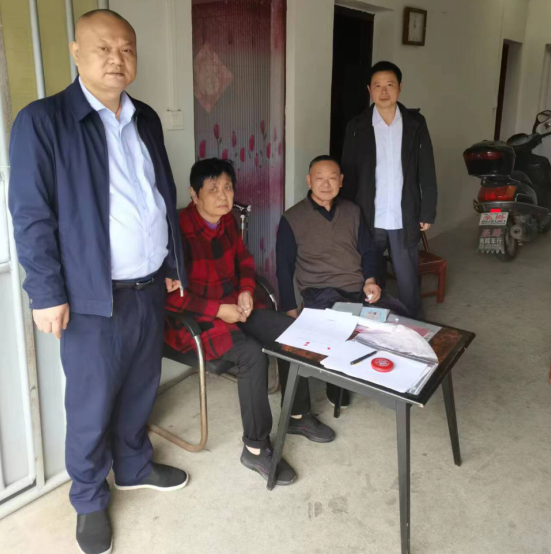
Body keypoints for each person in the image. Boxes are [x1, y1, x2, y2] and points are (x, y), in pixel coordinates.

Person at [9, 10, 188, 554]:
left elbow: (160, 193)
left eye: (127, 49)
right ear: (76, 52)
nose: (117, 59)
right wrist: (46, 292)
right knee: (90, 405)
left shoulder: (144, 117)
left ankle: (133, 465)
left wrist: (173, 264)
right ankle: (88, 499)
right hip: (91, 296)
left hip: (149, 285)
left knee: (140, 387)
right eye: (104, 47)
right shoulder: (43, 121)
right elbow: (31, 214)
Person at [165, 158, 336, 486]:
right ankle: (255, 448)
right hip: (197, 320)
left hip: (234, 307)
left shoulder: (227, 221)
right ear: (194, 194)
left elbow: (244, 262)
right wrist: (218, 310)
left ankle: (297, 415)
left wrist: (245, 290)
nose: (223, 196)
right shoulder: (176, 232)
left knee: (291, 332)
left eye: (228, 187)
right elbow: (169, 297)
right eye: (213, 189)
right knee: (251, 354)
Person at [276, 155, 407, 408]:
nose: (326, 184)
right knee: (341, 330)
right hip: (320, 291)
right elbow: (283, 267)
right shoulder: (292, 218)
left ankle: (391, 381)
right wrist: (289, 309)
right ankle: (337, 385)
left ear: (341, 181)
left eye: (332, 178)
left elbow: (368, 251)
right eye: (319, 178)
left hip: (358, 288)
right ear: (309, 180)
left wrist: (370, 280)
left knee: (399, 318)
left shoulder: (352, 211)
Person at [341, 61, 438, 319]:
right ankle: (375, 326)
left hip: (402, 214)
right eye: (378, 86)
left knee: (408, 279)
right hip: (368, 214)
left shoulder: (415, 123)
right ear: (369, 90)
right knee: (370, 276)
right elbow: (348, 173)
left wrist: (427, 210)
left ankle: (413, 324)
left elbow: (427, 168)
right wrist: (346, 214)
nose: (384, 91)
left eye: (390, 85)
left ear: (400, 87)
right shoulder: (357, 125)